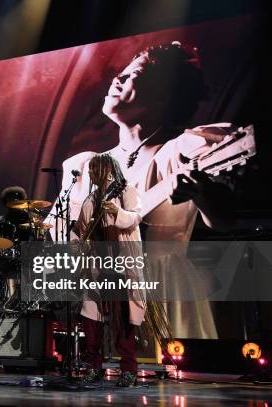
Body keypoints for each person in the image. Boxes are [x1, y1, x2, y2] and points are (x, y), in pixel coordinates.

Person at [46, 42, 236, 339]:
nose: (116, 79)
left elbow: (224, 222)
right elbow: (59, 235)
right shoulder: (85, 165)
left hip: (162, 283)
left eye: (133, 73)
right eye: (120, 72)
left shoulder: (181, 150)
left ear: (163, 94)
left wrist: (201, 195)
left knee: (169, 377)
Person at [72, 153, 144, 387]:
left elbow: (135, 217)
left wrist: (116, 211)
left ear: (107, 170)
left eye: (94, 169)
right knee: (91, 321)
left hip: (120, 266)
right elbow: (82, 231)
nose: (91, 174)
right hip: (97, 267)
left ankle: (129, 371)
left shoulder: (126, 192)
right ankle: (93, 367)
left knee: (122, 320)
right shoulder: (90, 199)